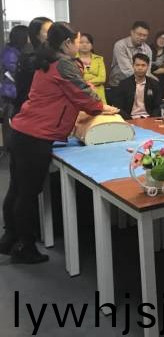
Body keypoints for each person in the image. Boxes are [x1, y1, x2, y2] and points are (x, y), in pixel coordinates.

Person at [1, 23, 118, 263]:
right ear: (67, 43)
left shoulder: (47, 60)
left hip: (22, 131)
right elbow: (83, 95)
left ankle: (9, 238)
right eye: (77, 41)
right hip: (36, 136)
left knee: (17, 189)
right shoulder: (64, 64)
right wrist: (101, 107)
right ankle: (24, 247)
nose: (79, 45)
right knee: (27, 193)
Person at [14, 17, 53, 116]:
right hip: (31, 111)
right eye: (48, 32)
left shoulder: (45, 53)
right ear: (37, 35)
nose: (53, 35)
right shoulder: (31, 57)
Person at [112, 54, 162, 120]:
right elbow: (118, 107)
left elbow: (157, 107)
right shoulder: (123, 84)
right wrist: (129, 119)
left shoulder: (154, 84)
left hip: (148, 118)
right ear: (133, 66)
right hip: (129, 118)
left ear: (148, 66)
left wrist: (151, 119)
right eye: (137, 65)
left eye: (143, 65)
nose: (140, 68)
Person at [109, 21, 153, 87]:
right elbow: (127, 70)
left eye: (145, 35)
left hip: (140, 84)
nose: (142, 38)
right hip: (118, 83)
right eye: (139, 34)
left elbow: (147, 70)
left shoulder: (147, 49)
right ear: (132, 32)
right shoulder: (120, 45)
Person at [0, 25, 29, 115]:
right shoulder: (11, 54)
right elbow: (15, 73)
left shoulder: (15, 51)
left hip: (13, 92)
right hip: (10, 94)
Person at [77, 33, 107, 103]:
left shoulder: (99, 59)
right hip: (80, 92)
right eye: (81, 42)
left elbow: (102, 78)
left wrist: (86, 82)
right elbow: (75, 78)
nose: (84, 45)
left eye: (87, 42)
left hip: (98, 92)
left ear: (92, 45)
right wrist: (93, 79)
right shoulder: (72, 59)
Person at [151, 30, 164, 94]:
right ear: (156, 39)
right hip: (146, 77)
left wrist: (150, 71)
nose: (162, 40)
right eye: (160, 38)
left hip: (159, 78)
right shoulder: (148, 49)